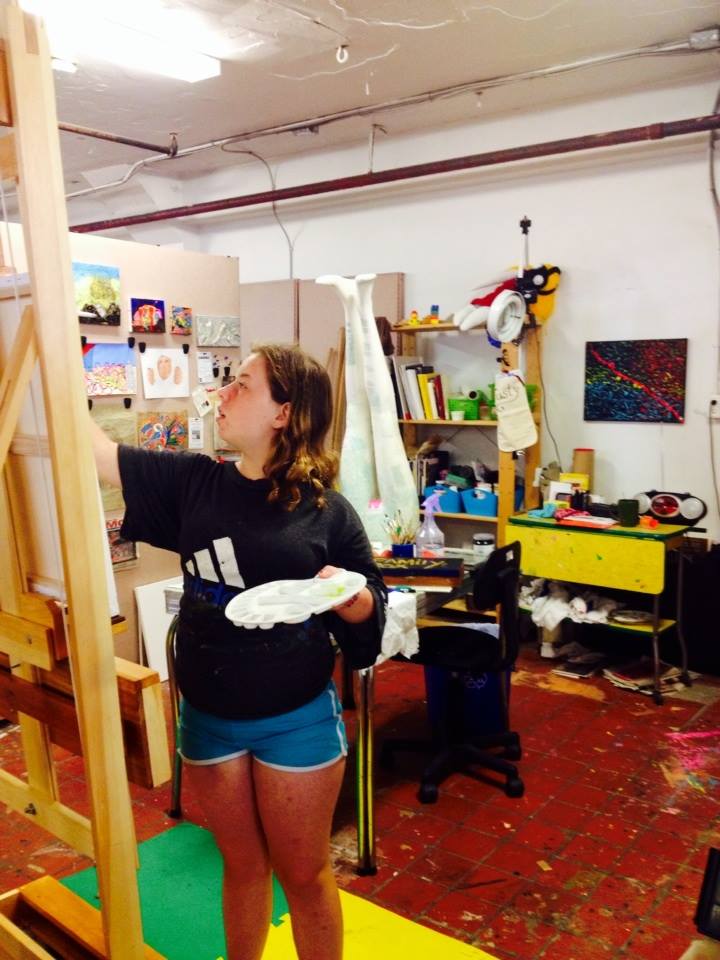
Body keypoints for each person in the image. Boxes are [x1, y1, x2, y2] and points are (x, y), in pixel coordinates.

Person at [90, 343, 387, 960]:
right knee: (242, 864)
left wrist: (352, 599)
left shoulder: (328, 511)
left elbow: (370, 611)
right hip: (208, 718)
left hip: (297, 719)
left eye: (242, 384)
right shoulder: (193, 481)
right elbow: (91, 450)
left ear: (283, 412)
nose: (221, 393)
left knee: (303, 874)